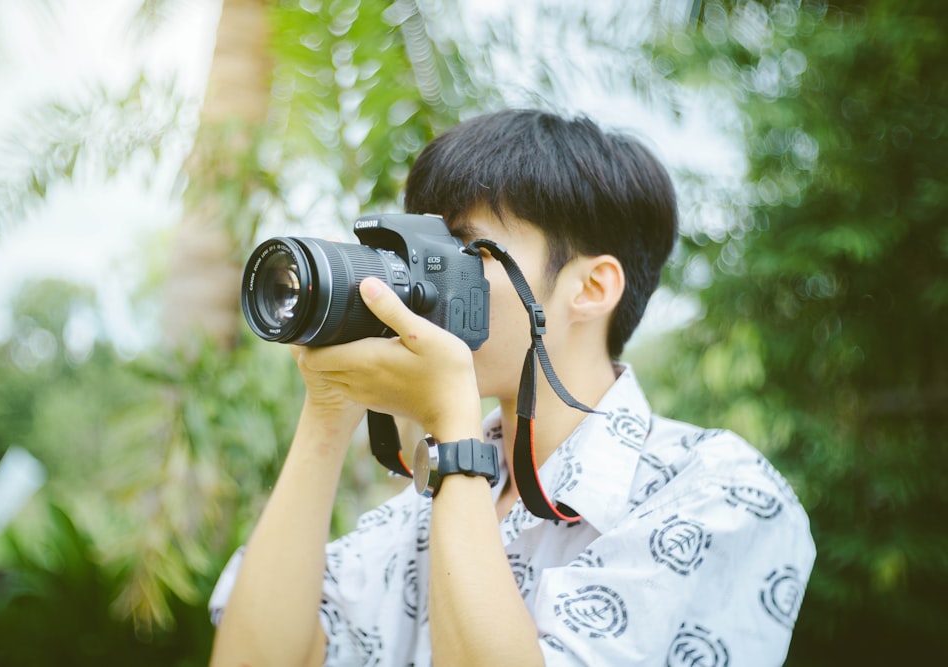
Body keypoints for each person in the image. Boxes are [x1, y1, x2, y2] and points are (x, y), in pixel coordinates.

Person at [207, 109, 815, 666]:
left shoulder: (719, 493)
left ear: (591, 289)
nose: (420, 276)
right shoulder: (425, 512)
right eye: (423, 244)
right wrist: (330, 407)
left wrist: (453, 431)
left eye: (468, 248)